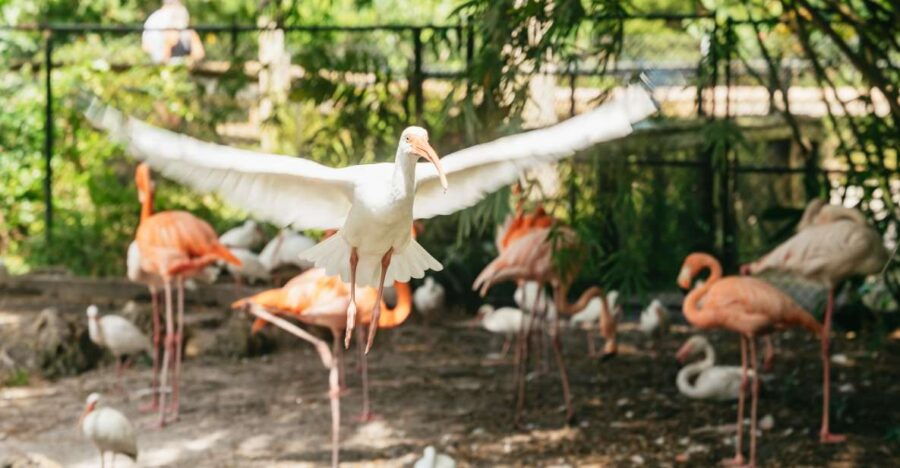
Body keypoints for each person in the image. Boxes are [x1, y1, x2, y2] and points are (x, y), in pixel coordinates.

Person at [142, 0, 205, 64]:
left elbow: (199, 53)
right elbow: (171, 39)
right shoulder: (169, 16)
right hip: (163, 61)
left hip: (165, 61)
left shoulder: (153, 18)